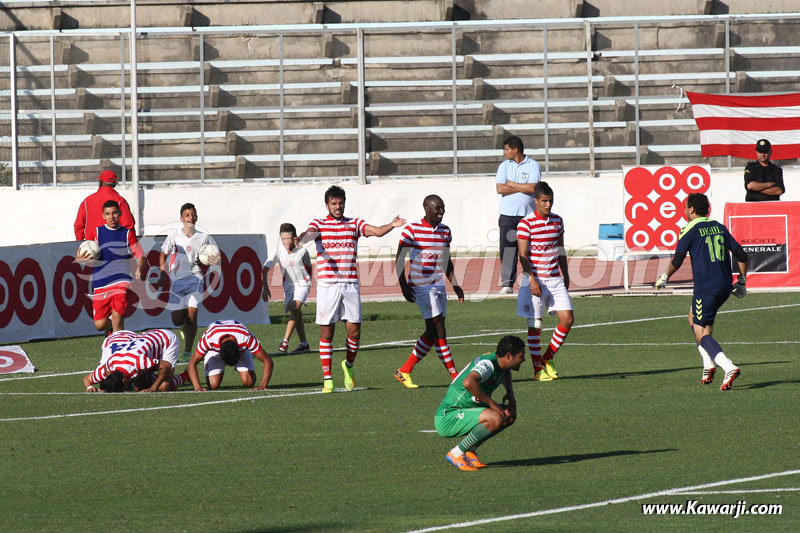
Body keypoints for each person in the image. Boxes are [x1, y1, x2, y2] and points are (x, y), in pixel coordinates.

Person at [299, 185, 405, 393]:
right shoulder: (319, 224)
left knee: (354, 332)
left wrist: (391, 225)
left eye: (340, 203)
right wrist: (302, 238)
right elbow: (309, 234)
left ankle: (348, 365)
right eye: (334, 203)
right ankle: (327, 379)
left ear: (344, 203)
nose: (338, 207)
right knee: (327, 332)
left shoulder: (354, 224)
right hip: (328, 287)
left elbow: (374, 231)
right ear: (327, 205)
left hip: (350, 285)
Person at [656, 192, 748, 391]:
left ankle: (728, 366)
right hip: (724, 286)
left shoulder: (689, 229)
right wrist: (741, 282)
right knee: (694, 318)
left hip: (705, 288)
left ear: (691, 209)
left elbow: (678, 260)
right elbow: (741, 254)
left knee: (700, 333)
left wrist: (664, 277)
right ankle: (708, 364)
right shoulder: (719, 227)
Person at [394, 194, 464, 388]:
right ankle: (455, 376)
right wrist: (403, 286)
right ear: (426, 208)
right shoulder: (412, 230)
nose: (441, 211)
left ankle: (404, 371)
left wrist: (455, 285)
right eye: (437, 208)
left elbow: (445, 260)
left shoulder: (445, 231)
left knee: (432, 331)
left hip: (438, 284)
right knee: (439, 328)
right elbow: (399, 259)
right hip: (420, 285)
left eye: (443, 208)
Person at [434, 335, 525, 471]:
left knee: (509, 414)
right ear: (508, 356)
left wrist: (510, 394)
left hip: (467, 410)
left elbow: (505, 371)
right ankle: (456, 454)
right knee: (495, 418)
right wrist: (491, 403)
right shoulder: (487, 365)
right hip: (449, 416)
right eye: (521, 356)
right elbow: (468, 382)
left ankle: (470, 450)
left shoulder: (500, 363)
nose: (523, 359)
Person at [516, 181, 573, 382]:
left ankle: (547, 358)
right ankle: (537, 371)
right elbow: (522, 254)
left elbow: (561, 250)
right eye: (544, 201)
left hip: (555, 279)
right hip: (535, 280)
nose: (548, 205)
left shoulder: (558, 221)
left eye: (550, 201)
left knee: (567, 319)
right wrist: (532, 279)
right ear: (536, 201)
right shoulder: (526, 223)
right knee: (535, 326)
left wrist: (565, 274)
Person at [76, 200, 147, 334]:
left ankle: (118, 350)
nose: (111, 216)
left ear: (119, 214)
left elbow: (140, 255)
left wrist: (139, 268)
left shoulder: (127, 234)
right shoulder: (96, 232)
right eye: (108, 214)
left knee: (117, 320)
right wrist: (81, 257)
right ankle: (110, 328)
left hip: (121, 282)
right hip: (100, 283)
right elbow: (81, 253)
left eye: (114, 213)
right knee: (100, 325)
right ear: (103, 216)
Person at [159, 203, 217, 361]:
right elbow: (163, 254)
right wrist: (162, 271)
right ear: (181, 218)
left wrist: (213, 260)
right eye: (187, 215)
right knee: (177, 320)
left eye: (193, 214)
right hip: (177, 280)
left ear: (196, 217)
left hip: (196, 279)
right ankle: (183, 326)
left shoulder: (203, 237)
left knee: (192, 316)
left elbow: (212, 256)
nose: (190, 217)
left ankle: (187, 351)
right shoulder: (174, 235)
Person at [495, 136, 541, 294]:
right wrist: (523, 186)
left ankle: (531, 280)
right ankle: (507, 284)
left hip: (527, 216)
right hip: (507, 215)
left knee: (529, 250)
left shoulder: (533, 165)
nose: (504, 152)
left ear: (516, 150)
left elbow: (534, 188)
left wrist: (512, 183)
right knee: (507, 250)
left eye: (506, 149)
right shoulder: (504, 166)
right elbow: (500, 189)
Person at [84, 328, 188, 392]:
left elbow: (166, 365)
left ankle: (187, 374)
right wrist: (89, 388)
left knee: (164, 387)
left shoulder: (137, 362)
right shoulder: (106, 368)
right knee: (139, 388)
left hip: (166, 339)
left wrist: (153, 388)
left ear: (124, 381)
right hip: (137, 340)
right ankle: (151, 377)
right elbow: (87, 379)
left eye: (123, 389)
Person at [261, 223, 312, 354]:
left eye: (289, 238)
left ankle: (285, 341)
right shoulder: (279, 250)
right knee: (296, 312)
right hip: (288, 287)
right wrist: (265, 288)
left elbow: (309, 269)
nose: (286, 242)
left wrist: (306, 283)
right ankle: (304, 343)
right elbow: (265, 269)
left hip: (302, 283)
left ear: (295, 237)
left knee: (295, 307)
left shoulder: (303, 251)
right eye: (283, 239)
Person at [187, 319, 274, 391]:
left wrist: (263, 385)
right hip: (214, 350)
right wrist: (197, 387)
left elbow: (267, 360)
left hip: (240, 347)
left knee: (248, 382)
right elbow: (192, 363)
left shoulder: (246, 337)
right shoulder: (209, 339)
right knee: (213, 385)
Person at [74, 169, 135, 241]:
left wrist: (81, 244)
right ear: (114, 184)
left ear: (101, 182)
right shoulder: (120, 201)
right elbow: (128, 226)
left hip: (92, 246)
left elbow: (78, 226)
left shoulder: (86, 201)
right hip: (114, 246)